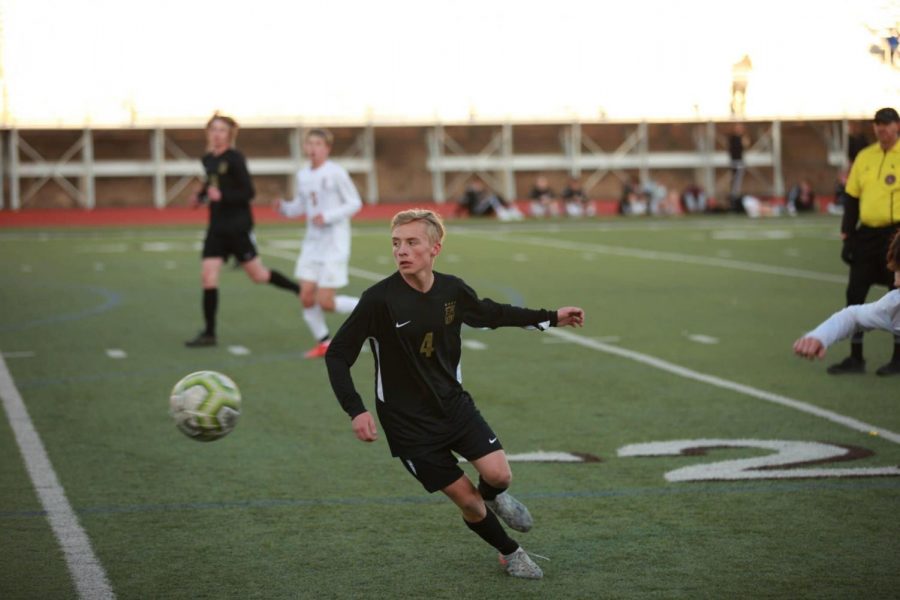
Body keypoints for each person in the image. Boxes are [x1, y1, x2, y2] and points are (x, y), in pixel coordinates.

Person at [324, 209, 585, 580]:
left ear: (435, 248)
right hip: (408, 425)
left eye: (412, 242)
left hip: (453, 406)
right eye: (396, 243)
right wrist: (355, 410)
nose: (402, 251)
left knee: (500, 475)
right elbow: (337, 354)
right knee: (469, 503)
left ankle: (496, 497)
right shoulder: (379, 300)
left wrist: (551, 316)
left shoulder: (452, 290)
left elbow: (489, 313)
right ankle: (510, 552)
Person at [185, 113, 300, 347]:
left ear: (229, 135)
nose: (216, 134)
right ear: (208, 132)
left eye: (221, 130)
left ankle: (297, 289)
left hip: (237, 227)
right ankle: (209, 333)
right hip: (216, 228)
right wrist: (201, 196)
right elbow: (212, 182)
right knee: (208, 275)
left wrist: (223, 196)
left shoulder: (236, 158)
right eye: (213, 129)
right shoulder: (208, 159)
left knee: (258, 276)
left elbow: (248, 193)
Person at [276, 128, 363, 359]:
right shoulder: (303, 175)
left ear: (327, 148)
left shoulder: (336, 173)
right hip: (312, 244)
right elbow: (301, 206)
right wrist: (284, 208)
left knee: (326, 302)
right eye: (310, 143)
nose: (313, 148)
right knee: (305, 296)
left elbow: (355, 203)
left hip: (334, 243)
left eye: (318, 144)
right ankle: (325, 343)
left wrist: (328, 216)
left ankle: (374, 310)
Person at [827, 107, 900, 375]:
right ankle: (856, 357)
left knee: (896, 297)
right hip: (867, 235)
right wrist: (848, 234)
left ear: (897, 126)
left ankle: (898, 357)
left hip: (895, 236)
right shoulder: (865, 157)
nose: (882, 128)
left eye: (887, 123)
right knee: (854, 293)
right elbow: (852, 198)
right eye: (878, 123)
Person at [794, 231, 900, 362]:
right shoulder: (895, 305)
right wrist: (820, 336)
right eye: (896, 270)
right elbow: (853, 316)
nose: (896, 282)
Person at [455, 178, 523, 221]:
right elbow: (463, 203)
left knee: (494, 197)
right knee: (492, 198)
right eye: (477, 184)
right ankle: (504, 212)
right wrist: (458, 214)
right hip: (477, 211)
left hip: (481, 209)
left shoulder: (480, 193)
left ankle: (509, 209)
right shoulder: (470, 193)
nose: (479, 186)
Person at [727, 123, 750, 212]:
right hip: (735, 162)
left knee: (737, 182)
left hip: (739, 162)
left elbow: (746, 145)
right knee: (734, 182)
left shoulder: (742, 138)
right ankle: (733, 200)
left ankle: (735, 199)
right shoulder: (733, 138)